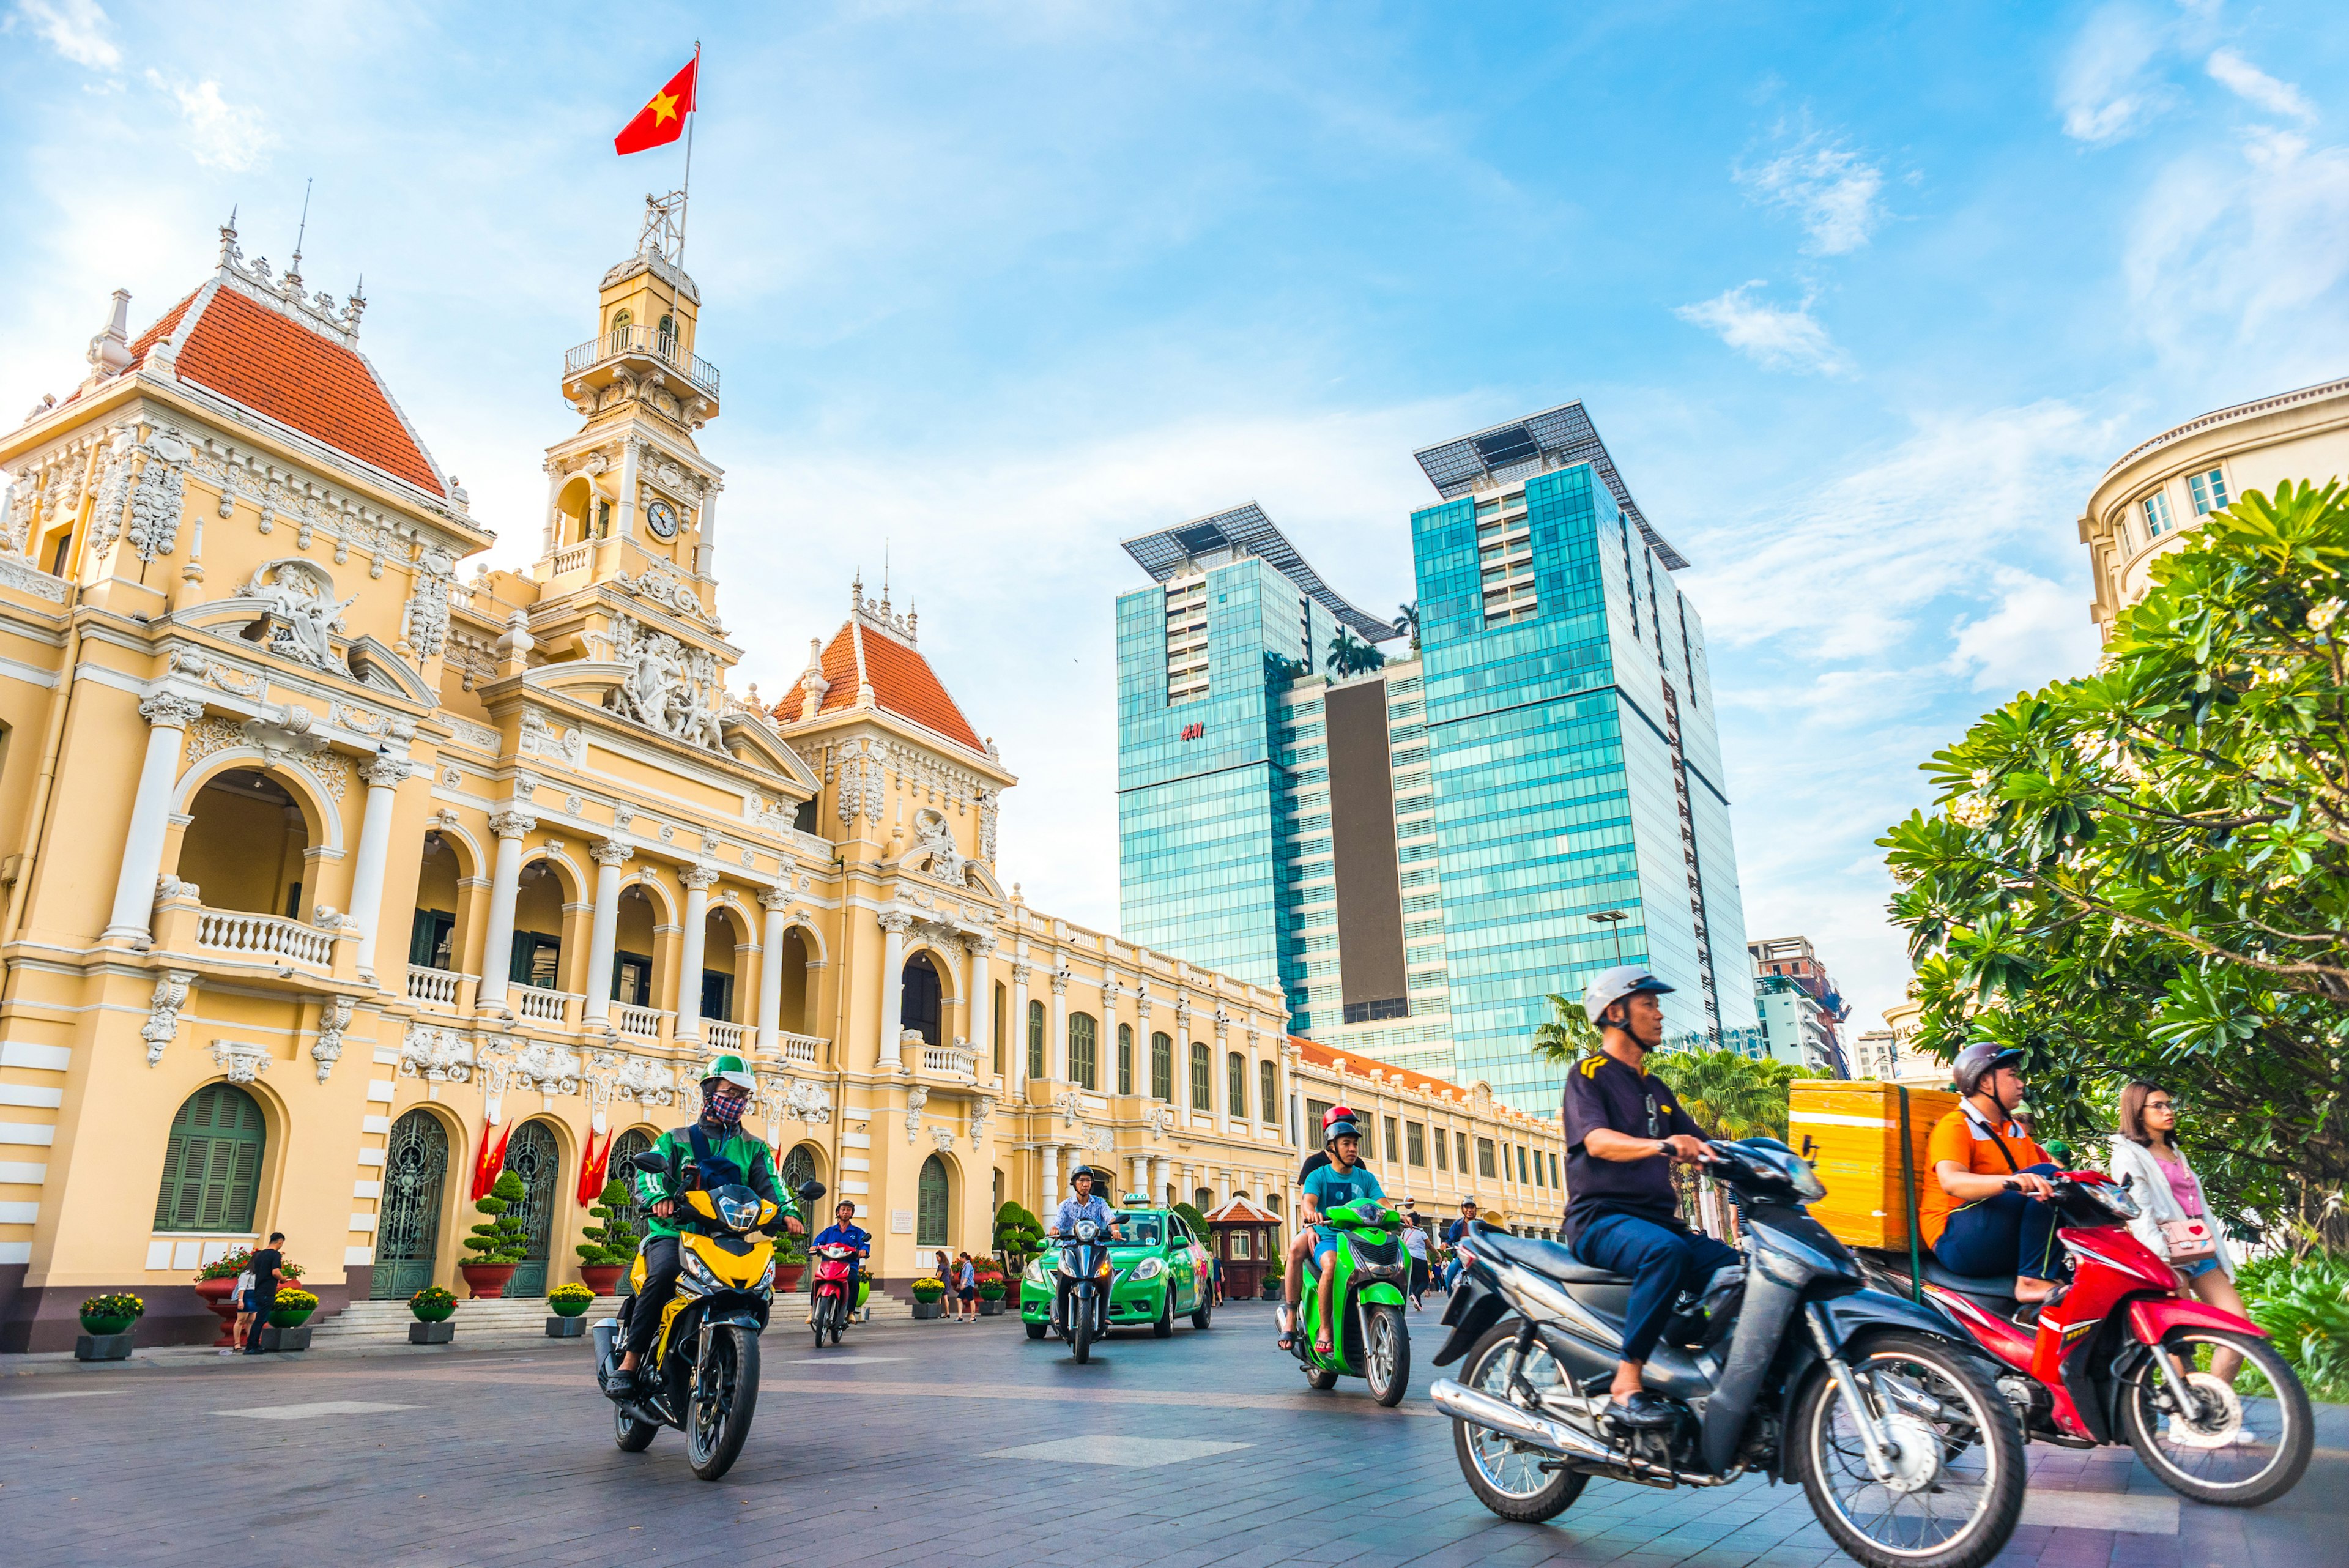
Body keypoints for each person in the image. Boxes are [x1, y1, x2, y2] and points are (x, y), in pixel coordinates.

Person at [1560, 965, 1740, 1430]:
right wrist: (1662, 1145)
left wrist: (1760, 1163)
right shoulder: (1589, 1074)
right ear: (1616, 1012)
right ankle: (1626, 1383)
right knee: (1666, 1253)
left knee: (1736, 1270)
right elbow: (1597, 1141)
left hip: (1656, 1221)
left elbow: (1705, 1147)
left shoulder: (1655, 1088)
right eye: (1650, 1004)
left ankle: (1693, 1368)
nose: (1660, 1015)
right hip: (1599, 1218)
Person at [609, 1055, 801, 1400]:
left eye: (744, 1096)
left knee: (755, 1288)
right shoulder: (676, 1139)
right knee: (664, 1273)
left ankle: (731, 1357)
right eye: (731, 1093)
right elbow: (649, 1175)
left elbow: (772, 1184)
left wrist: (788, 1212)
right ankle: (630, 1363)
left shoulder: (754, 1147)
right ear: (709, 1092)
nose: (738, 1102)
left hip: (724, 1239)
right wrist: (659, 1201)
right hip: (673, 1234)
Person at [2110, 1082, 2247, 1381]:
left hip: (2199, 1248)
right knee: (2180, 1344)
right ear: (2137, 1111)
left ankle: (2214, 1405)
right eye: (2158, 1106)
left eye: (2169, 1104)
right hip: (2166, 1254)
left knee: (2239, 1330)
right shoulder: (2128, 1154)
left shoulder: (2174, 1151)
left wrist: (2220, 1255)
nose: (2168, 1111)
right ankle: (2187, 1414)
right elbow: (2139, 1212)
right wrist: (2161, 1261)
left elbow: (2198, 1207)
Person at [1920, 1042, 2064, 1306]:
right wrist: (2012, 1182)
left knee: (2060, 1187)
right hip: (1955, 1239)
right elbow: (1952, 1182)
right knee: (2046, 1176)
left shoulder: (2014, 1130)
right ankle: (2032, 1280)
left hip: (1997, 1233)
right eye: (2013, 1075)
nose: (2022, 1084)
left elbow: (2051, 1180)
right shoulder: (1955, 1126)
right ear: (1986, 1082)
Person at [1275, 1102, 1358, 1350]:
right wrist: (1311, 1226)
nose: (1350, 1139)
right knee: (1295, 1250)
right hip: (1318, 1228)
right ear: (1330, 1136)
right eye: (1344, 1132)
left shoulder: (1359, 1167)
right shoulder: (1314, 1165)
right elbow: (1307, 1202)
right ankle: (1291, 1317)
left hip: (1351, 1234)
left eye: (1352, 1131)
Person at [1299, 1119, 1384, 1357]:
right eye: (1346, 1144)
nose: (1353, 1149)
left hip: (1358, 1239)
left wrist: (1399, 1216)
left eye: (1355, 1144)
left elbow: (1382, 1203)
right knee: (1331, 1264)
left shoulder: (1365, 1178)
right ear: (1332, 1148)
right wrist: (1311, 1214)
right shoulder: (1318, 1175)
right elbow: (1308, 1201)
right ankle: (1326, 1330)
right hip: (1328, 1237)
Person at [811, 1199, 871, 1323]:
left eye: (849, 1210)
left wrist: (863, 1251)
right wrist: (814, 1246)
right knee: (816, 1282)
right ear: (838, 1212)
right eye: (843, 1209)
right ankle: (812, 1311)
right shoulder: (829, 1231)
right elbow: (818, 1242)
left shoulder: (857, 1232)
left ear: (852, 1214)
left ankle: (850, 1313)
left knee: (854, 1281)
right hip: (828, 1265)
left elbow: (864, 1243)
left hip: (849, 1266)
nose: (846, 1212)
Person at [242, 1232, 287, 1354]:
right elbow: (275, 1272)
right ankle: (252, 1346)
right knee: (260, 1320)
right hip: (268, 1291)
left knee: (259, 1319)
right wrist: (283, 1279)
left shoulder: (260, 1255)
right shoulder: (275, 1255)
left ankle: (253, 1345)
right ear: (280, 1242)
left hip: (259, 1290)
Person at [1442, 1199, 1481, 1293]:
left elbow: (1489, 1236)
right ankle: (1451, 1299)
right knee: (1451, 1269)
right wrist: (1445, 1244)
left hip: (1479, 1257)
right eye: (1466, 1207)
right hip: (1463, 1256)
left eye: (1472, 1207)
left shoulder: (1481, 1224)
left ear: (1475, 1209)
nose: (1469, 1210)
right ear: (1462, 1209)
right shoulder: (1457, 1225)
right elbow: (1450, 1239)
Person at [1400, 1211, 1431, 1309]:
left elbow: (1402, 1244)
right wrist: (1438, 1254)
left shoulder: (1404, 1233)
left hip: (1408, 1259)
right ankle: (1416, 1295)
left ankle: (1419, 1304)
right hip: (1420, 1259)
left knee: (1414, 1282)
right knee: (1425, 1282)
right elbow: (1429, 1246)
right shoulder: (1422, 1233)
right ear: (1418, 1223)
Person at [955, 1252, 979, 1321]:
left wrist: (963, 1283)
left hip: (968, 1285)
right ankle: (960, 1316)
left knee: (971, 1300)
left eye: (961, 1258)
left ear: (964, 1258)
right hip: (965, 1285)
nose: (960, 1260)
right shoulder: (964, 1265)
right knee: (959, 1299)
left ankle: (973, 1316)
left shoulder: (968, 1265)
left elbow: (967, 1275)